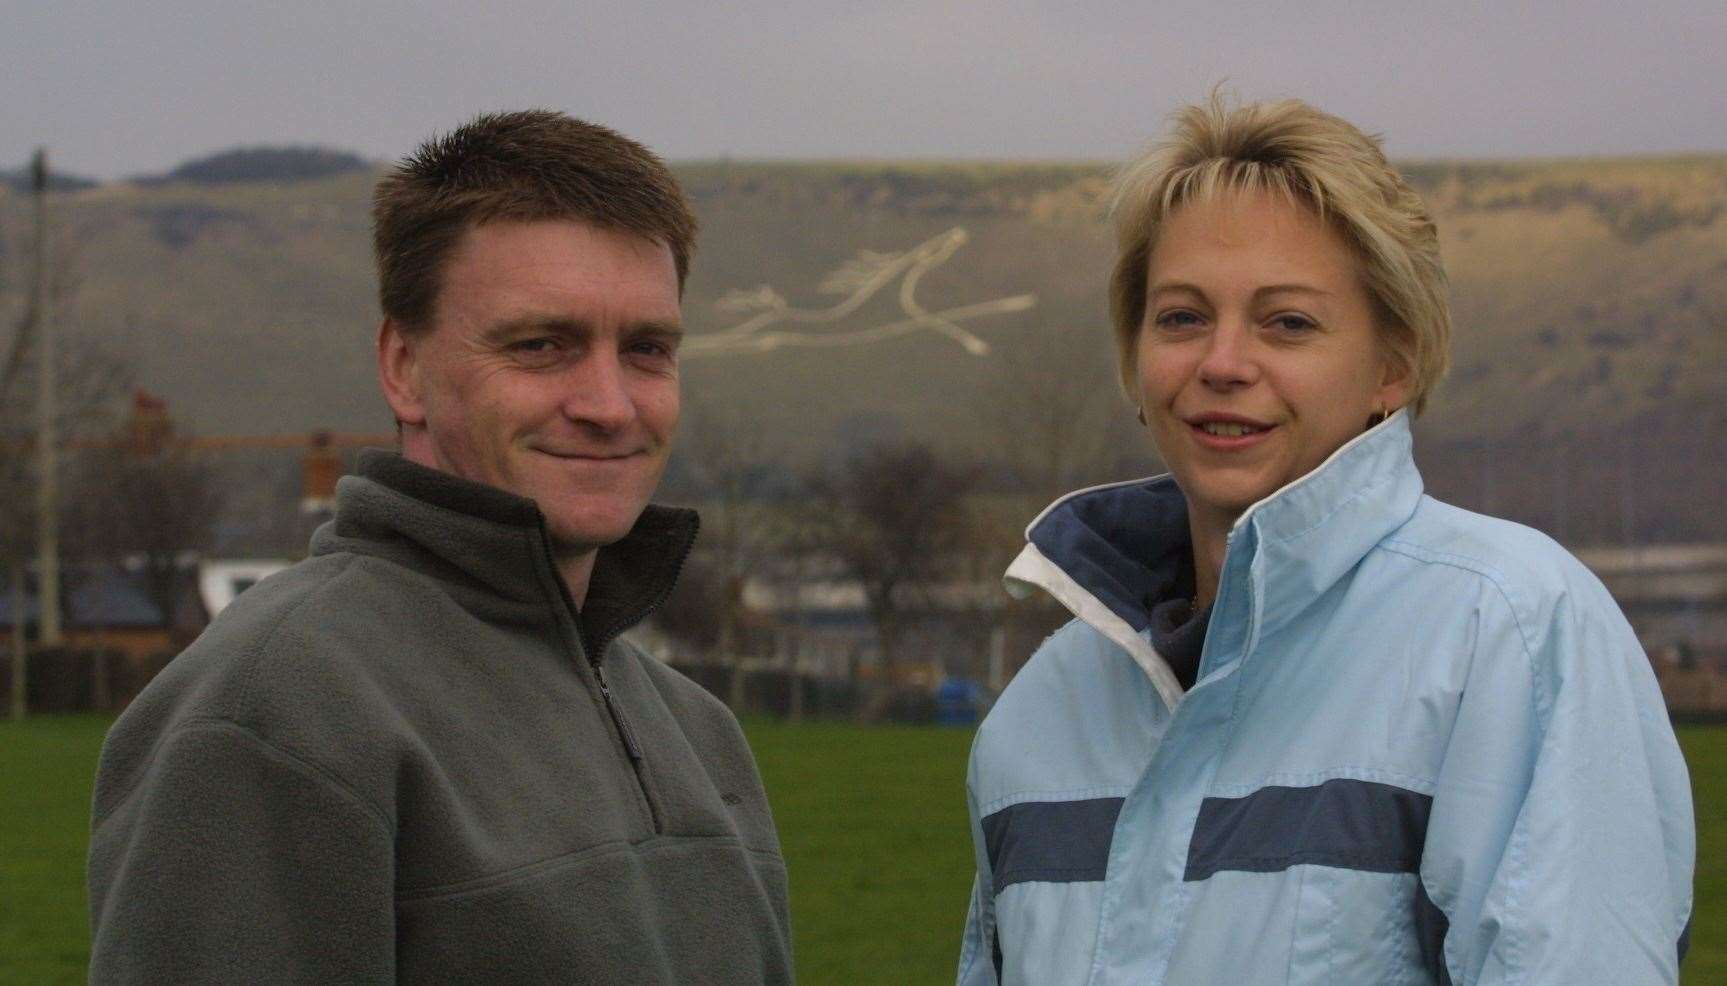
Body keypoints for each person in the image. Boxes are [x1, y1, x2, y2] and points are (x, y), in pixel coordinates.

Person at [956, 95, 1694, 985]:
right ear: (1135, 360)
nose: (1222, 363)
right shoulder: (1042, 709)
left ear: (1394, 364)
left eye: (1288, 322)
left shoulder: (1504, 629)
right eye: (1182, 317)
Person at [88, 111, 792, 984]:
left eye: (646, 350)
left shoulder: (697, 731)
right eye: (542, 345)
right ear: (402, 366)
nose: (611, 404)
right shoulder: (278, 711)